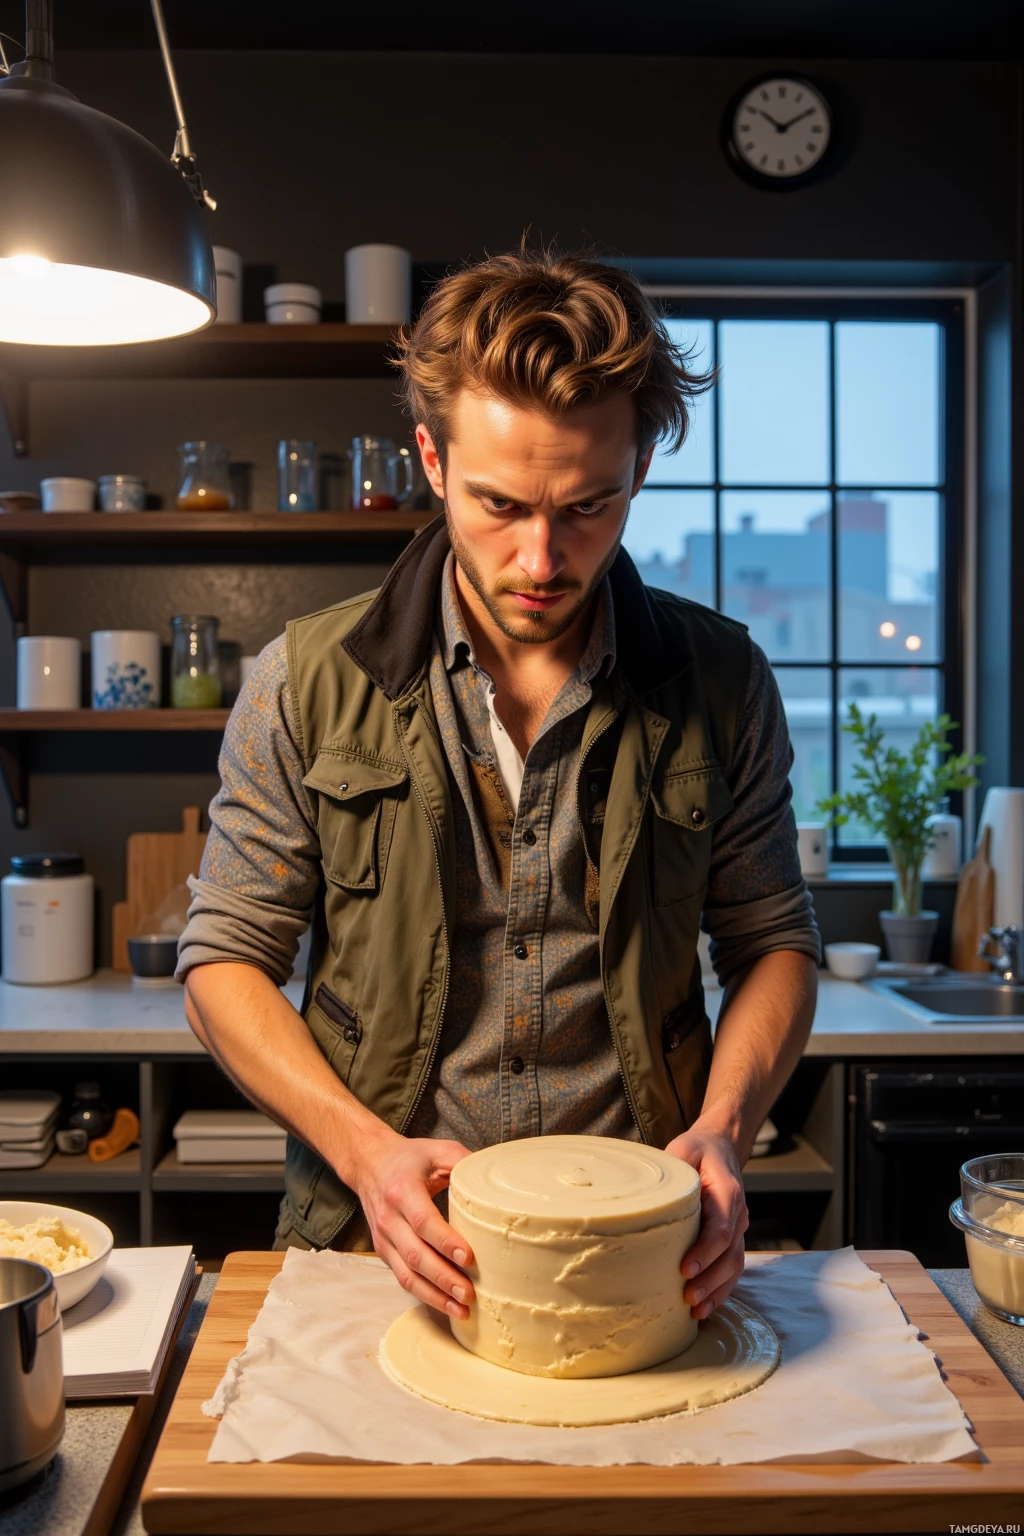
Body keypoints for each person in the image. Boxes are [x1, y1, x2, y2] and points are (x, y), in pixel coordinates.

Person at [178, 247, 820, 1329]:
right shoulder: (302, 682)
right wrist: (363, 1152)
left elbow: (772, 942)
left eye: (588, 506)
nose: (541, 557)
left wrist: (724, 1127)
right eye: (499, 503)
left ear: (637, 475)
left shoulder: (722, 680)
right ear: (430, 458)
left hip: (639, 1245)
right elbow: (225, 961)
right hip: (377, 1237)